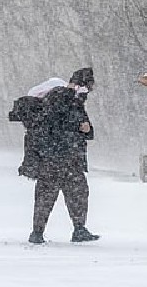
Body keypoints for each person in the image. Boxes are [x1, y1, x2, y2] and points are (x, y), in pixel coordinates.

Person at [28, 67, 99, 244]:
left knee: (51, 195)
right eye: (87, 87)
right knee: (73, 193)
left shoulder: (68, 99)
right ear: (80, 85)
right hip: (62, 156)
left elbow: (86, 128)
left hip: (58, 157)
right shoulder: (62, 97)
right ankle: (75, 229)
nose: (87, 93)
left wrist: (85, 129)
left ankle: (40, 232)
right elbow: (66, 124)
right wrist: (80, 128)